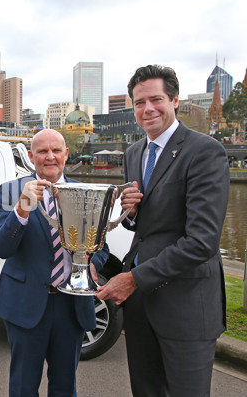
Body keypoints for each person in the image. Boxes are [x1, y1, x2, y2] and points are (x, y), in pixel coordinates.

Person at [96, 65, 229, 396]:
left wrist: (133, 278)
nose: (147, 109)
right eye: (139, 103)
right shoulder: (134, 152)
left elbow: (202, 242)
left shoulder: (204, 151)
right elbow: (140, 227)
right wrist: (129, 211)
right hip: (141, 308)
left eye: (156, 99)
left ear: (175, 101)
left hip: (185, 305)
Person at [0, 129, 109, 396]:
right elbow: (2, 247)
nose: (50, 157)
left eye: (56, 150)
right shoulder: (11, 191)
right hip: (25, 302)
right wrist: (22, 208)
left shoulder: (85, 191)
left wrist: (93, 265)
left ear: (66, 154)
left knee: (65, 386)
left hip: (71, 305)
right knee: (23, 385)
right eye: (42, 151)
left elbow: (102, 246)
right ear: (32, 157)